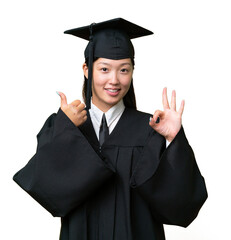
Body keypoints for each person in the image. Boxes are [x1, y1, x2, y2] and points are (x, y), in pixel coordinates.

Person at [13, 18, 207, 240]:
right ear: (87, 69)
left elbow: (181, 206)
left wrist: (173, 140)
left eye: (124, 70)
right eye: (104, 69)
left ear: (132, 72)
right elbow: (46, 189)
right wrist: (64, 131)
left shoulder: (151, 130)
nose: (114, 80)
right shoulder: (66, 127)